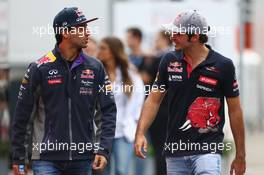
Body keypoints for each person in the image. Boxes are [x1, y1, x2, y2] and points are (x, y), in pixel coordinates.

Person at [135, 10, 246, 175]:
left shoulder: (224, 65)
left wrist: (240, 155)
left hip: (208, 149)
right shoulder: (168, 60)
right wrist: (140, 133)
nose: (172, 36)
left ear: (194, 37)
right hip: (175, 150)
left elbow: (235, 111)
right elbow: (153, 100)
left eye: (178, 33)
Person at [11, 7, 116, 175]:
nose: (87, 33)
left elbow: (107, 111)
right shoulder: (39, 68)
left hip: (83, 158)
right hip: (46, 159)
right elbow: (22, 116)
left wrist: (103, 149)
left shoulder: (96, 67)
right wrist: (18, 158)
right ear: (65, 33)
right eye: (81, 28)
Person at [97, 36, 145, 175]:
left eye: (103, 48)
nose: (99, 51)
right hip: (102, 131)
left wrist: (136, 121)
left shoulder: (129, 73)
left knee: (121, 171)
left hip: (123, 131)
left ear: (113, 51)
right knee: (102, 170)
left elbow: (139, 97)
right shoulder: (97, 72)